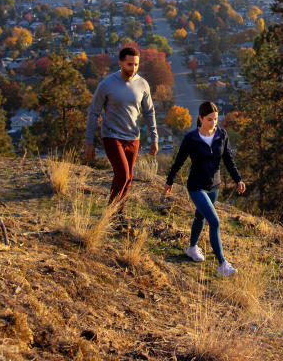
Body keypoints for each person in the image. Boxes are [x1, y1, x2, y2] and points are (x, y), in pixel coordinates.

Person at [165, 101, 245, 277]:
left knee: (200, 217)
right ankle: (222, 264)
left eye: (215, 119)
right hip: (196, 186)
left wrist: (238, 179)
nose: (213, 123)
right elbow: (178, 161)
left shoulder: (221, 135)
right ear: (200, 118)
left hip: (214, 186)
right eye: (209, 119)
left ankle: (192, 248)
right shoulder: (191, 139)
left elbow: (228, 160)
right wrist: (169, 181)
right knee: (214, 221)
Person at [85, 45, 158, 205]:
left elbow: (149, 111)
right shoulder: (106, 84)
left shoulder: (142, 84)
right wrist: (89, 141)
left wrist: (154, 138)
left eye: (136, 64)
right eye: (129, 64)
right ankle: (109, 214)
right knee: (123, 175)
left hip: (133, 137)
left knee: (128, 178)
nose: (133, 68)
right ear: (120, 63)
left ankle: (119, 215)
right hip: (112, 136)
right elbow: (93, 112)